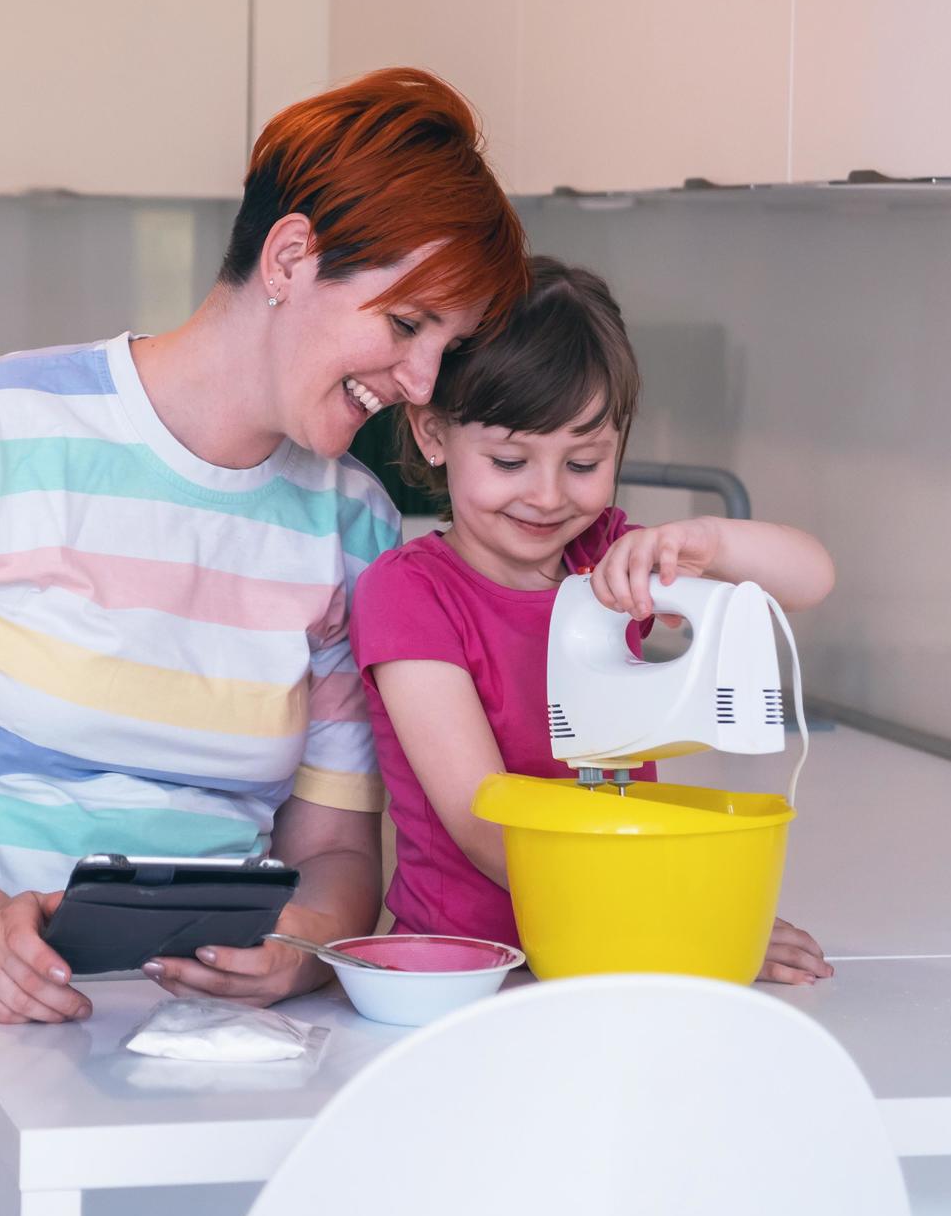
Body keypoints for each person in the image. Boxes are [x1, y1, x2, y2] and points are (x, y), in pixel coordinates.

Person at [0, 68, 529, 1216]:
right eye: (408, 323)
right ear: (291, 256)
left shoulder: (353, 526)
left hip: (186, 1081)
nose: (426, 378)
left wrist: (302, 945)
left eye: (449, 346)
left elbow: (334, 849)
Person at [350, 257, 839, 982]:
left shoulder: (608, 561)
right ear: (432, 435)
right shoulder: (407, 593)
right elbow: (486, 823)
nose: (547, 496)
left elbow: (812, 577)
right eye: (510, 460)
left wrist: (714, 540)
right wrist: (689, 914)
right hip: (467, 967)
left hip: (618, 950)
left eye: (583, 462)